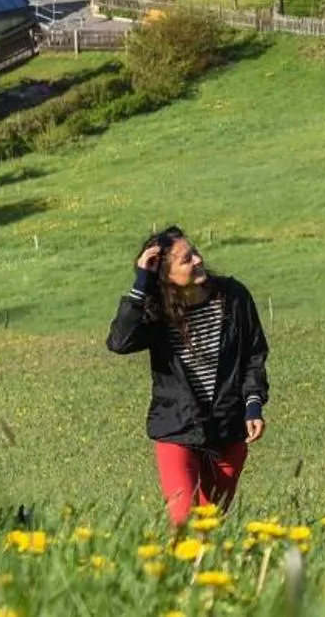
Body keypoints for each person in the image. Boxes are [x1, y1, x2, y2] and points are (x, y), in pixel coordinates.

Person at [106, 225, 270, 526]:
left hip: (227, 429)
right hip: (177, 427)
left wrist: (254, 404)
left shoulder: (234, 297)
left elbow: (254, 354)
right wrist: (141, 282)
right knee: (184, 523)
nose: (196, 260)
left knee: (210, 523)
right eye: (185, 260)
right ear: (166, 276)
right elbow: (120, 342)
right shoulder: (155, 309)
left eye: (194, 252)